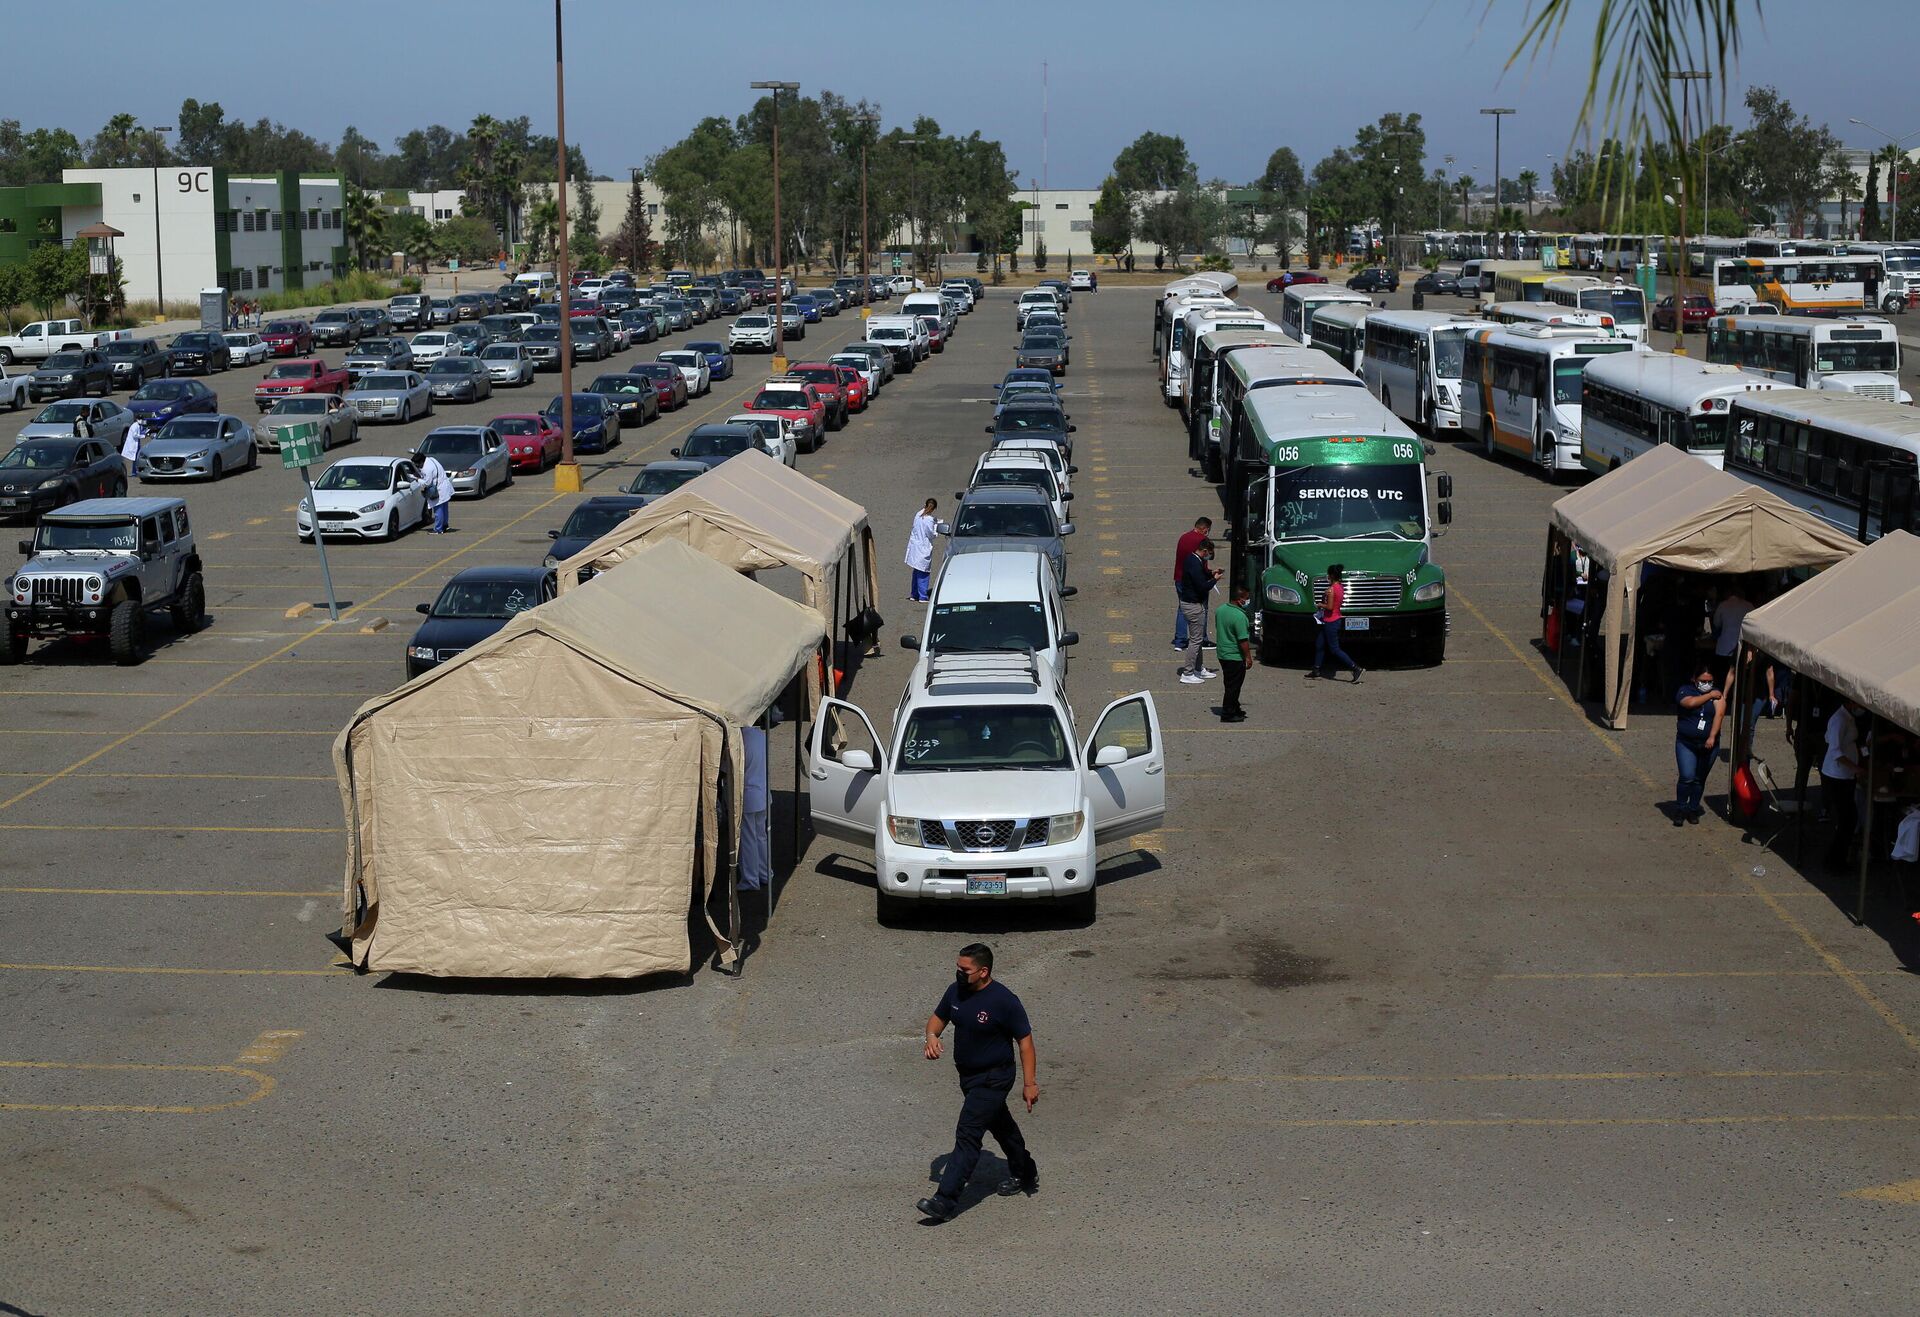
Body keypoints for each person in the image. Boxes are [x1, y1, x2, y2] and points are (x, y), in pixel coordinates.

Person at [916, 943, 1039, 1223]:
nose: (959, 973)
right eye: (958, 968)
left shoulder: (1004, 1001)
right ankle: (1025, 1169)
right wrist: (932, 1037)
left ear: (983, 972)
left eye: (965, 969)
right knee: (999, 1124)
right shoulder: (955, 991)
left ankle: (944, 1201)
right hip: (968, 1077)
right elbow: (937, 1019)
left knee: (968, 1133)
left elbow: (1025, 1041)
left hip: (994, 1077)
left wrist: (1029, 1083)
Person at [1671, 660, 1724, 825]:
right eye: (1703, 681)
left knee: (1699, 779)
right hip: (1686, 743)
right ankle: (1680, 808)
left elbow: (1719, 714)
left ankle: (1693, 808)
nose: (1707, 684)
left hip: (1708, 744)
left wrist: (1712, 736)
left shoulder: (1718, 694)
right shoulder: (1685, 690)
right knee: (1687, 776)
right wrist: (1708, 696)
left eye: (1710, 682)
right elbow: (1690, 703)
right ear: (1694, 679)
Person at [1822, 696, 1863, 868]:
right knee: (1847, 819)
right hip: (1837, 776)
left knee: (1849, 819)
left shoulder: (1848, 717)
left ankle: (1838, 858)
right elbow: (1835, 751)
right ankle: (1835, 861)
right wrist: (1856, 768)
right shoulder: (1839, 720)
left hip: (1845, 776)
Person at [1176, 538, 1220, 685]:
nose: (1210, 556)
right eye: (1210, 553)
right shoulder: (1195, 562)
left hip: (1189, 604)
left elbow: (1200, 574)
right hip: (1193, 606)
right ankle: (1188, 673)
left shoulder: (1192, 559)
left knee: (1198, 638)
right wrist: (1214, 580)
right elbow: (1202, 586)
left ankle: (1198, 668)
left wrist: (1210, 573)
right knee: (1195, 641)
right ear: (1205, 550)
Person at [1309, 563, 1363, 682]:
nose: (1327, 577)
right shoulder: (1340, 587)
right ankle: (1316, 669)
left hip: (1330, 621)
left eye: (1328, 575)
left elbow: (1329, 607)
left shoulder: (1332, 589)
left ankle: (1355, 668)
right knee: (1320, 644)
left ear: (1332, 575)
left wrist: (1320, 604)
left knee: (1334, 649)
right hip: (1332, 619)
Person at [1171, 516, 1212, 651]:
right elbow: (1202, 563)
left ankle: (1180, 640)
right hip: (1194, 582)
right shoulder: (1201, 541)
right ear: (1205, 529)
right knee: (1202, 609)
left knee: (1182, 609)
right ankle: (1202, 639)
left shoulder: (1183, 537)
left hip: (1179, 578)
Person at [1214, 582, 1253, 722]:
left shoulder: (1220, 610)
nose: (1248, 601)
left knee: (1230, 683)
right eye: (1246, 598)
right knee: (1233, 686)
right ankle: (1228, 712)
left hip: (1222, 653)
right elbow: (1243, 640)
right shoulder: (1240, 617)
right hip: (1234, 656)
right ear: (1240, 599)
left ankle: (1235, 707)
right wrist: (1248, 657)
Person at [1709, 580, 1755, 682]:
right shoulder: (1749, 605)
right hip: (1742, 648)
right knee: (1740, 679)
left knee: (1723, 677)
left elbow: (1717, 623)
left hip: (1724, 648)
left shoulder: (1723, 605)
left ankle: (1723, 696)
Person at [905, 498, 938, 602]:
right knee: (923, 572)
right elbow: (930, 534)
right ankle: (923, 596)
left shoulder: (918, 515)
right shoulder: (929, 520)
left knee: (916, 571)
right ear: (934, 508)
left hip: (915, 547)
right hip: (923, 548)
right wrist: (936, 531)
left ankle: (914, 594)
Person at [414, 448, 453, 533]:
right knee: (444, 508)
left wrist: (417, 479)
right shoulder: (431, 459)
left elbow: (427, 483)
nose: (417, 467)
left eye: (417, 465)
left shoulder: (427, 468)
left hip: (439, 490)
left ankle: (438, 529)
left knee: (438, 510)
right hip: (444, 486)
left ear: (421, 462)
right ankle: (445, 526)